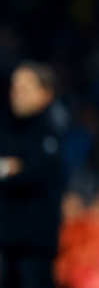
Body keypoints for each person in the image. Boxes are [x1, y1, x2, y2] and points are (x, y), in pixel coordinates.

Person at [0, 61, 67, 287]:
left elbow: (39, 173)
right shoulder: (7, 128)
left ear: (45, 93)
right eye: (14, 88)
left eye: (25, 89)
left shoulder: (52, 129)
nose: (16, 95)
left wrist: (10, 170)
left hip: (36, 242)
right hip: (7, 240)